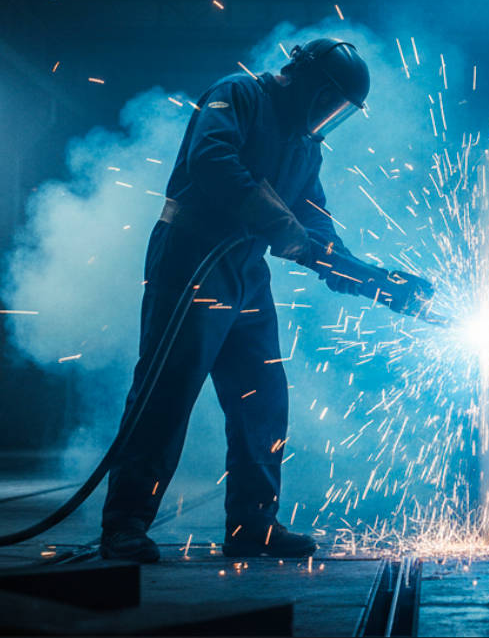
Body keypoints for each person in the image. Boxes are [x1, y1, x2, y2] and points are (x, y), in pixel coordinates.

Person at [99, 39, 436, 562]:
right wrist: (278, 222)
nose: (329, 117)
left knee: (264, 396)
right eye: (330, 103)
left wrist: (377, 281)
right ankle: (124, 524)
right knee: (167, 391)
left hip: (246, 271)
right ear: (306, 82)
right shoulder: (238, 95)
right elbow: (211, 159)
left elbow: (315, 231)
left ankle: (252, 525)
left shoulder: (306, 146)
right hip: (192, 257)